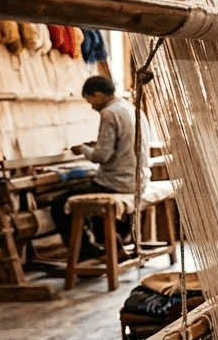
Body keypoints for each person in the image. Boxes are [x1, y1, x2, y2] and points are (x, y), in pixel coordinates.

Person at [50, 75, 149, 257]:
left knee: (58, 204)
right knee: (90, 190)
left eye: (90, 101)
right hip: (139, 180)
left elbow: (101, 157)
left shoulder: (109, 113)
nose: (92, 106)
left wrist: (82, 149)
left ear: (97, 94)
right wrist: (95, 144)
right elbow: (122, 145)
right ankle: (113, 242)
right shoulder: (133, 109)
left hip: (119, 183)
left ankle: (85, 253)